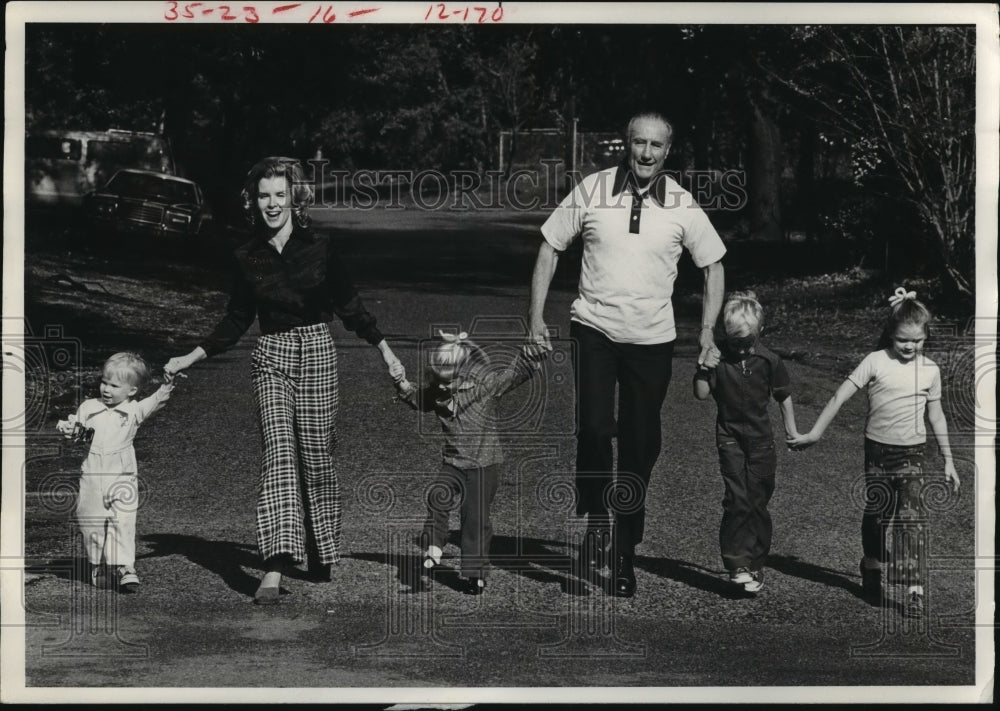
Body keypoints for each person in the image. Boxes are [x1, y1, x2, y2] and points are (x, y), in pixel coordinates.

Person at [164, 157, 406, 605]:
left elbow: (350, 306)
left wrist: (385, 350)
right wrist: (190, 357)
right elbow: (238, 318)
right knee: (278, 452)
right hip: (271, 355)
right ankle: (274, 566)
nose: (272, 204)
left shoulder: (320, 246)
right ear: (252, 202)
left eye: (280, 194)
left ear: (295, 197)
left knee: (315, 453)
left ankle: (321, 545)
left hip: (317, 351)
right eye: (263, 196)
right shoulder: (249, 255)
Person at [527, 111, 726, 597]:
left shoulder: (680, 202)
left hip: (652, 341)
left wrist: (706, 332)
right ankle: (597, 515)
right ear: (627, 144)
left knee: (640, 444)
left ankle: (623, 547)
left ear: (667, 150)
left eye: (656, 145)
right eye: (638, 143)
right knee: (595, 427)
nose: (646, 153)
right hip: (593, 328)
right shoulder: (593, 189)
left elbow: (714, 264)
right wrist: (534, 319)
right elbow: (550, 246)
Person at [788, 288, 960, 618]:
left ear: (927, 336)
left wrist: (949, 459)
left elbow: (936, 415)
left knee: (911, 518)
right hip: (878, 451)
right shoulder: (875, 361)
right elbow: (839, 397)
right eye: (903, 340)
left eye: (918, 341)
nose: (910, 347)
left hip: (913, 452)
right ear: (890, 334)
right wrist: (814, 433)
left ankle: (914, 589)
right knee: (879, 513)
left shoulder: (930, 371)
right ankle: (871, 564)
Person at [395, 331, 545, 594]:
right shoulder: (437, 392)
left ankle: (475, 574)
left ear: (463, 376)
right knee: (437, 496)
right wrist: (403, 386)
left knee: (474, 519)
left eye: (447, 381)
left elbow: (512, 376)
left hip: (483, 466)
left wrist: (530, 356)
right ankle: (434, 545)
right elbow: (420, 400)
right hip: (453, 462)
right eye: (437, 379)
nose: (441, 386)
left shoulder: (483, 388)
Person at [693, 291, 798, 594]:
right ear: (725, 334)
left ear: (759, 332)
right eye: (735, 342)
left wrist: (792, 431)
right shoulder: (719, 357)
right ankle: (737, 564)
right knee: (737, 499)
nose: (741, 350)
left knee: (758, 503)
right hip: (730, 440)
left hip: (762, 441)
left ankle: (756, 563)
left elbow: (784, 396)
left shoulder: (769, 361)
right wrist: (705, 367)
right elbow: (700, 394)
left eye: (746, 342)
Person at [57, 352, 176, 593]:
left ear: (132, 390)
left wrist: (168, 383)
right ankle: (98, 564)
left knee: (123, 519)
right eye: (104, 382)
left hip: (122, 474)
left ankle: (124, 566)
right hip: (92, 473)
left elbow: (156, 400)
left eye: (114, 385)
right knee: (90, 520)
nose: (106, 389)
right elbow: (82, 439)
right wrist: (71, 430)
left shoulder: (134, 411)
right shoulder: (89, 408)